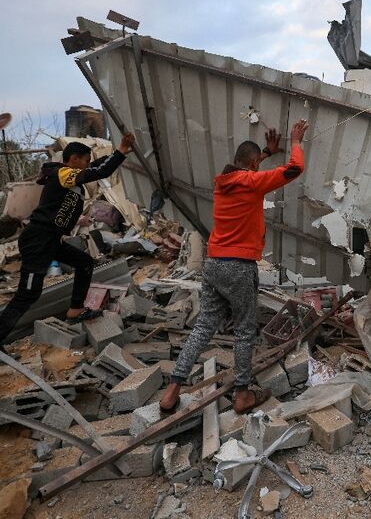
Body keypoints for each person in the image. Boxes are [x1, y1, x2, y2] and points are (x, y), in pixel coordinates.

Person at [160, 120, 308, 415]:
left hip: (213, 263)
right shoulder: (252, 183)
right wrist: (295, 142)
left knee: (203, 327)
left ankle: (172, 390)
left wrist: (266, 152)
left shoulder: (222, 184)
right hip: (238, 266)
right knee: (244, 331)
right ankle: (242, 395)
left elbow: (244, 168)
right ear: (253, 165)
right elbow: (294, 169)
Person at [0, 134, 135, 345]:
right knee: (28, 293)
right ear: (74, 160)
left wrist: (119, 153)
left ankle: (75, 309)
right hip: (38, 239)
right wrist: (119, 152)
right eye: (86, 160)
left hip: (51, 239)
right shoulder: (64, 173)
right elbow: (100, 171)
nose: (88, 165)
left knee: (84, 263)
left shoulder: (69, 174)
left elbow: (96, 167)